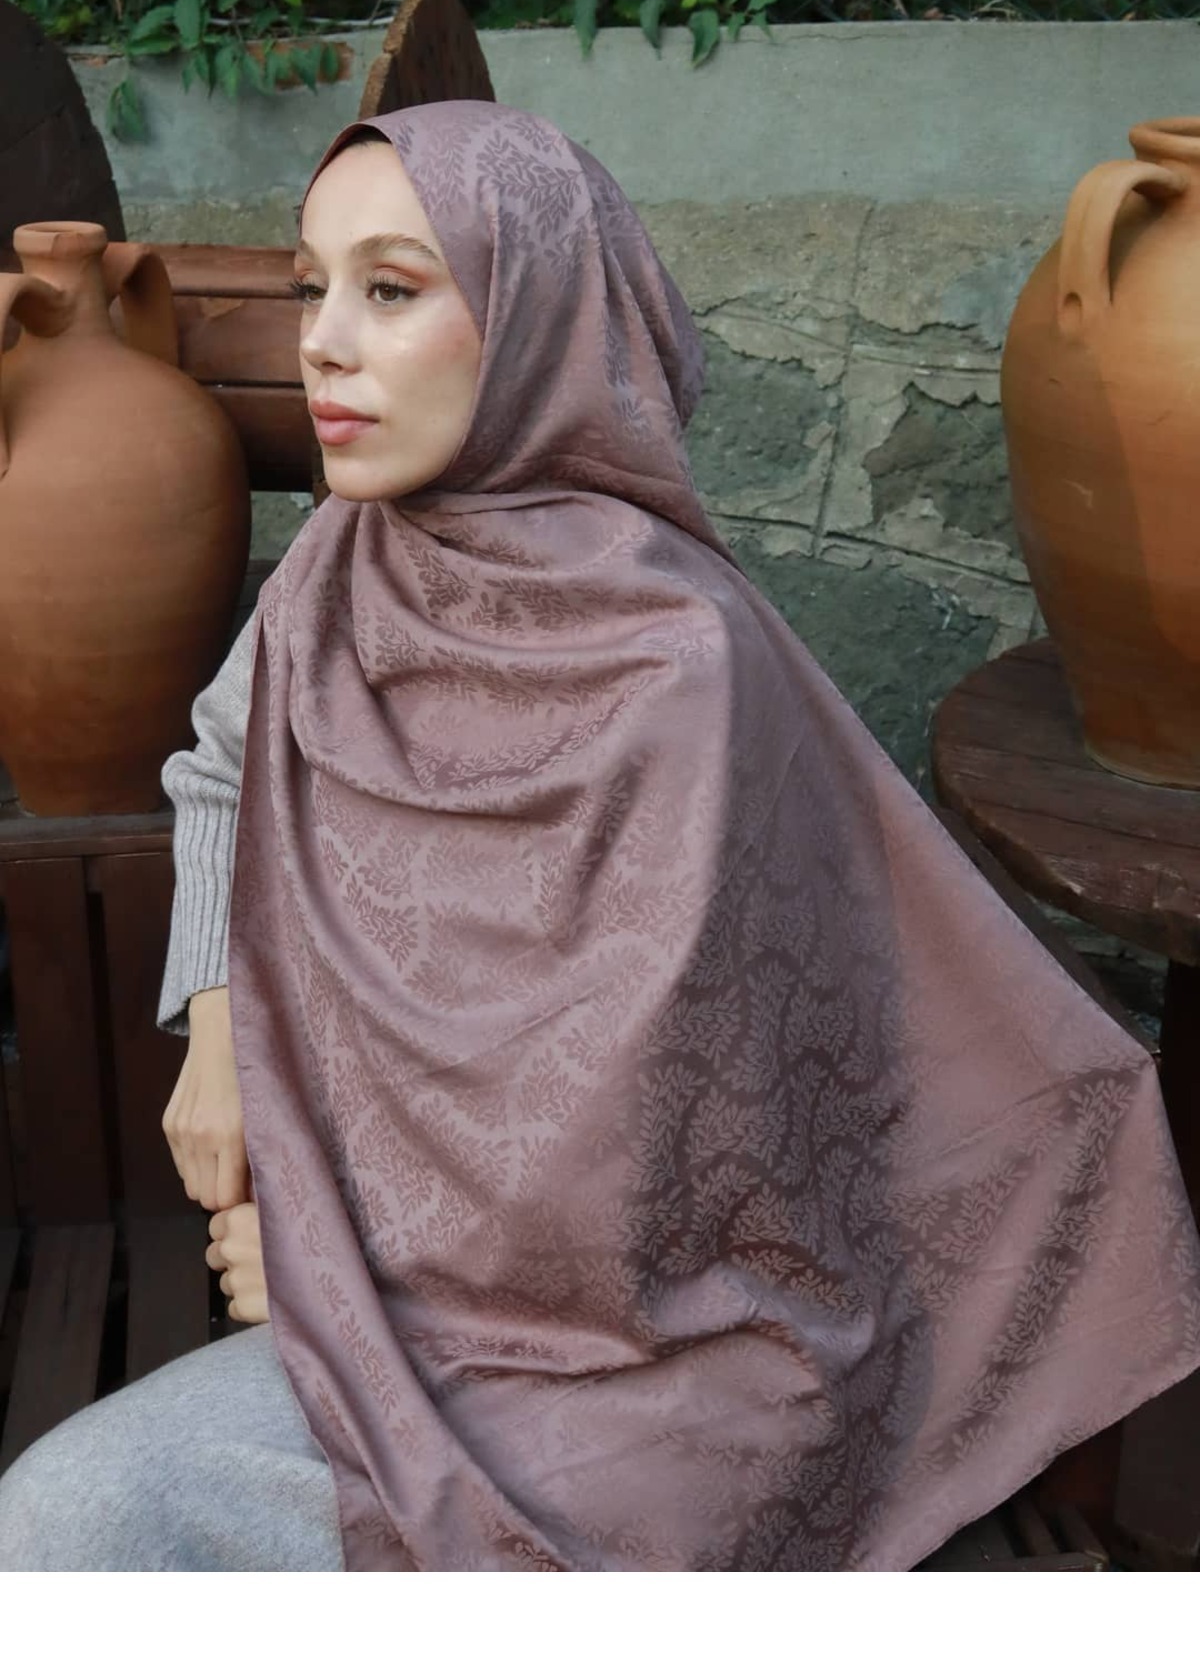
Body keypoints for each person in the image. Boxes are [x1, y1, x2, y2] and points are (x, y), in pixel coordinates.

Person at [1, 101, 1198, 1573]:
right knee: (62, 1520)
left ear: (541, 321)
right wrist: (220, 1021)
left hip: (644, 1366)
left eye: (393, 288)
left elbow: (630, 1156)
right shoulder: (337, 574)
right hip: (366, 1295)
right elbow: (222, 770)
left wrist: (321, 1250)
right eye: (314, 287)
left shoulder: (675, 665)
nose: (322, 343)